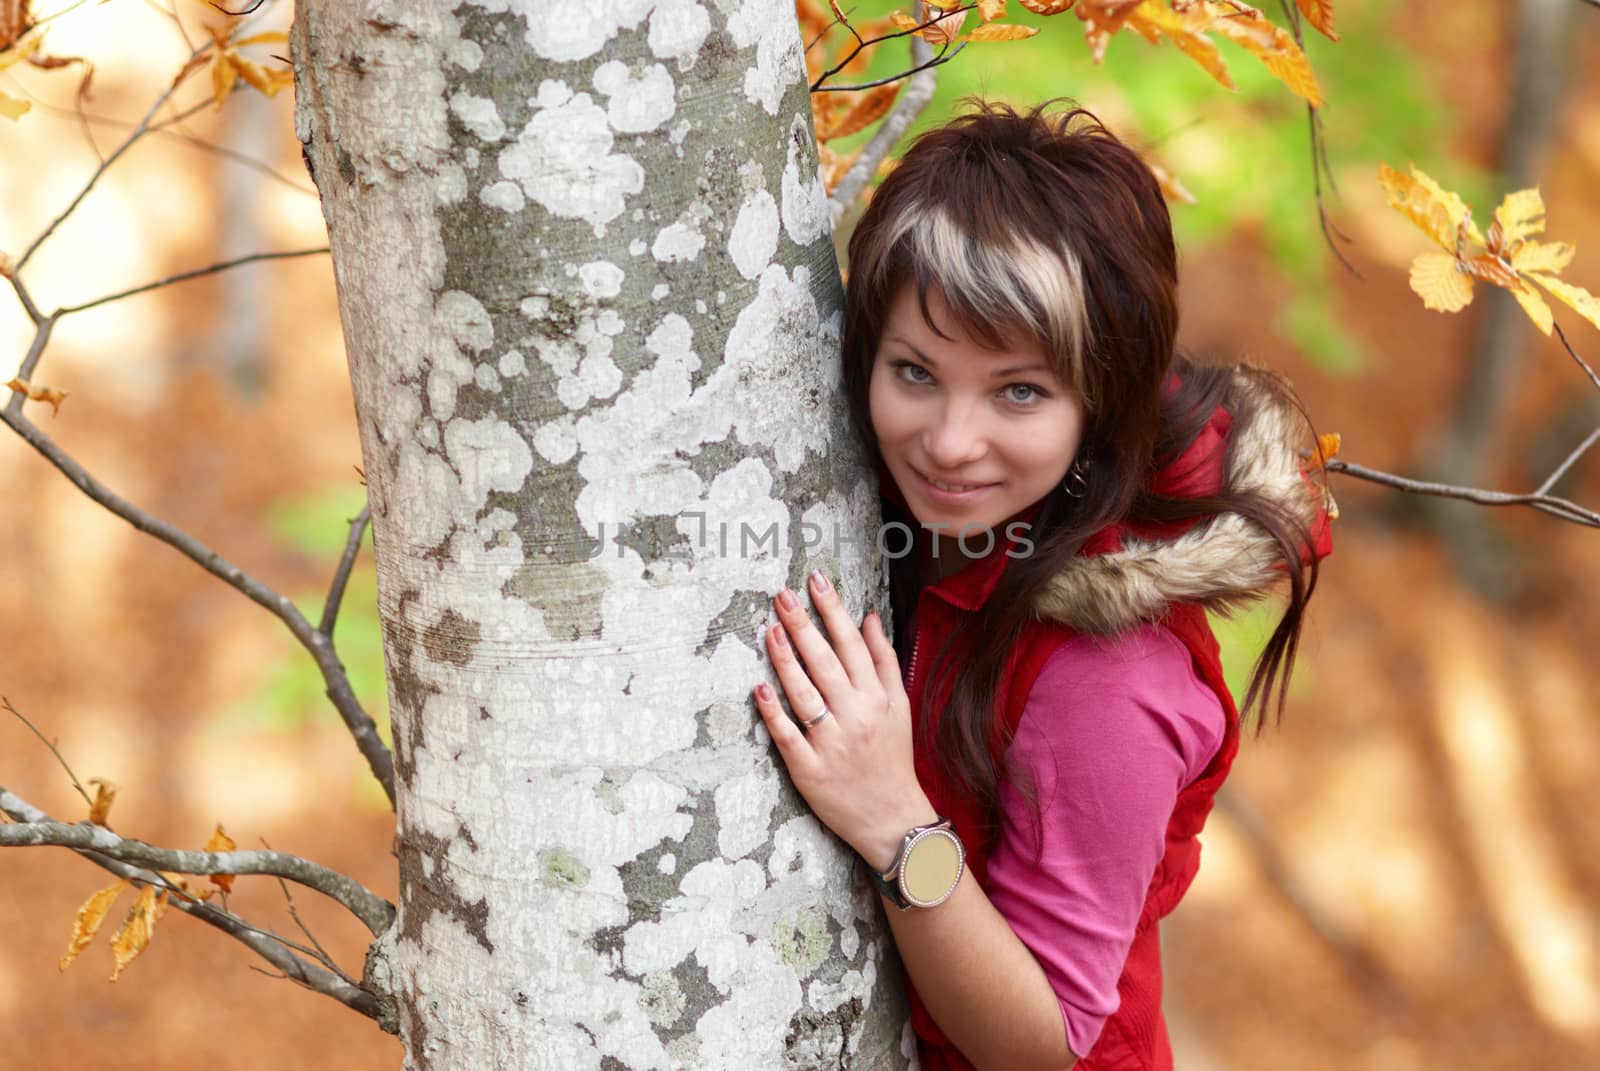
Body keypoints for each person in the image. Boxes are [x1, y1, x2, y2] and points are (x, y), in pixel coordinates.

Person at [750, 100, 1335, 1071]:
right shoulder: (943, 519)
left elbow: (1046, 1047)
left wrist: (896, 825)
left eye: (1018, 391)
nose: (947, 441)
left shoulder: (1107, 683)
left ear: (1097, 403)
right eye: (914, 373)